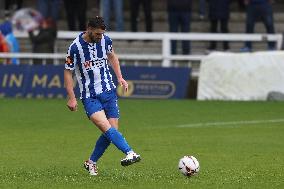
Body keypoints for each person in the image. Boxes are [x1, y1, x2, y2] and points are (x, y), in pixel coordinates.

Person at [64, 16, 141, 176]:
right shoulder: (75, 47)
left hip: (109, 92)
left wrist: (120, 77)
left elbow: (112, 56)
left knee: (111, 131)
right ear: (89, 29)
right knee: (106, 127)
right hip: (90, 96)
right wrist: (71, 97)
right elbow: (68, 72)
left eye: (102, 34)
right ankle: (130, 152)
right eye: (97, 34)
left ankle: (91, 162)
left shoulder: (105, 40)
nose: (100, 37)